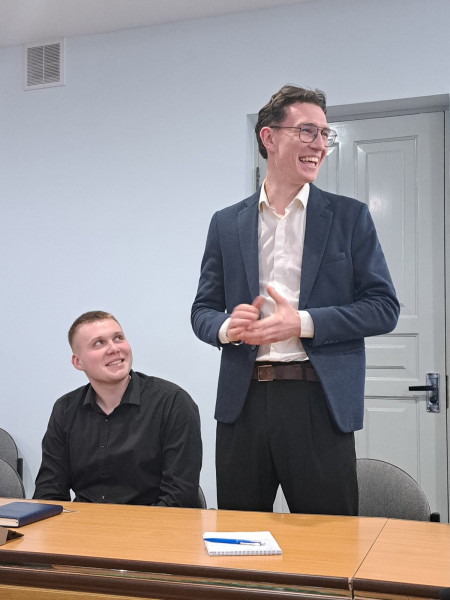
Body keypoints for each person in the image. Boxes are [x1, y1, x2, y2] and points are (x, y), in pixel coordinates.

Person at [191, 85, 399, 515]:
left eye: (324, 134)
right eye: (307, 131)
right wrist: (229, 327)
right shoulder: (226, 223)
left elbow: (383, 307)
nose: (319, 145)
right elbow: (202, 311)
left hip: (318, 401)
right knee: (239, 538)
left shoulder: (349, 217)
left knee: (331, 540)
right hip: (242, 403)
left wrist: (302, 322)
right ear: (269, 137)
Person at [34, 311, 202, 507]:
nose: (114, 348)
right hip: (85, 523)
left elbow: (180, 496)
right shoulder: (65, 409)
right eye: (99, 343)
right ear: (78, 362)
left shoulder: (172, 402)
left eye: (118, 338)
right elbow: (49, 490)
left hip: (154, 522)